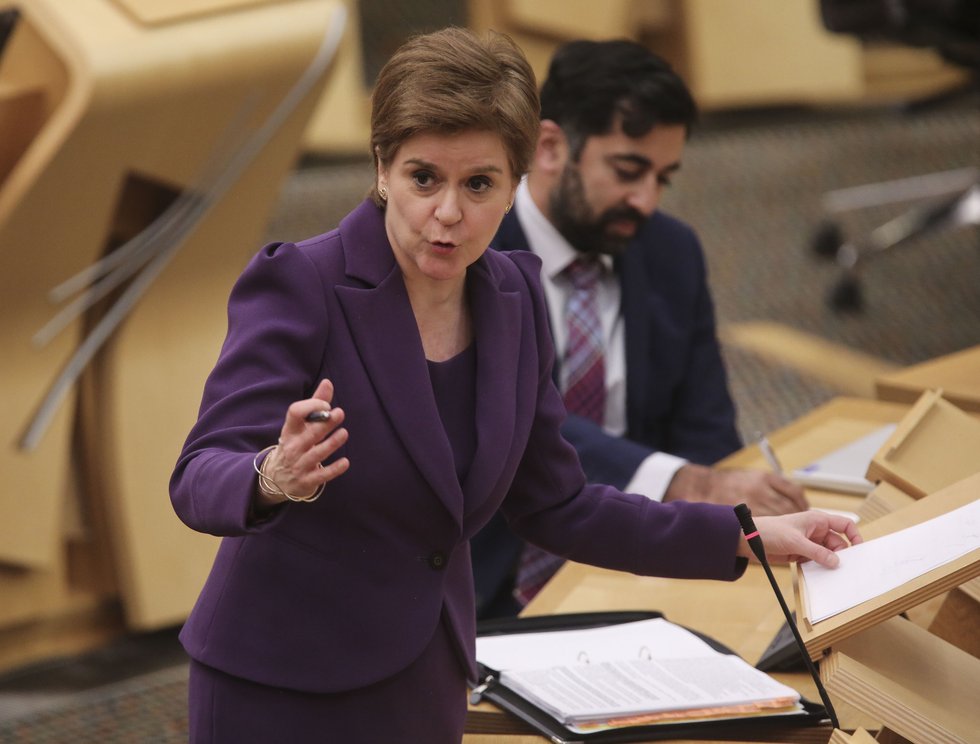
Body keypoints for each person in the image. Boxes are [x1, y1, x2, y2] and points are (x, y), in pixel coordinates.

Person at [170, 27, 860, 743]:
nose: (448, 213)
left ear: (516, 183)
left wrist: (746, 537)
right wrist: (272, 475)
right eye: (422, 178)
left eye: (479, 184)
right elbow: (197, 476)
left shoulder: (511, 298)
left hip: (424, 678)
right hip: (281, 685)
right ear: (382, 168)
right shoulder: (303, 283)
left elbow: (559, 505)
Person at [472, 39, 809, 617]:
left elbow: (708, 437)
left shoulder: (669, 252)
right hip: (487, 586)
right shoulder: (466, 249)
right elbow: (513, 420)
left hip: (640, 570)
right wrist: (687, 484)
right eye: (629, 171)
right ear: (550, 146)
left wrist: (709, 493)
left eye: (664, 178)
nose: (646, 200)